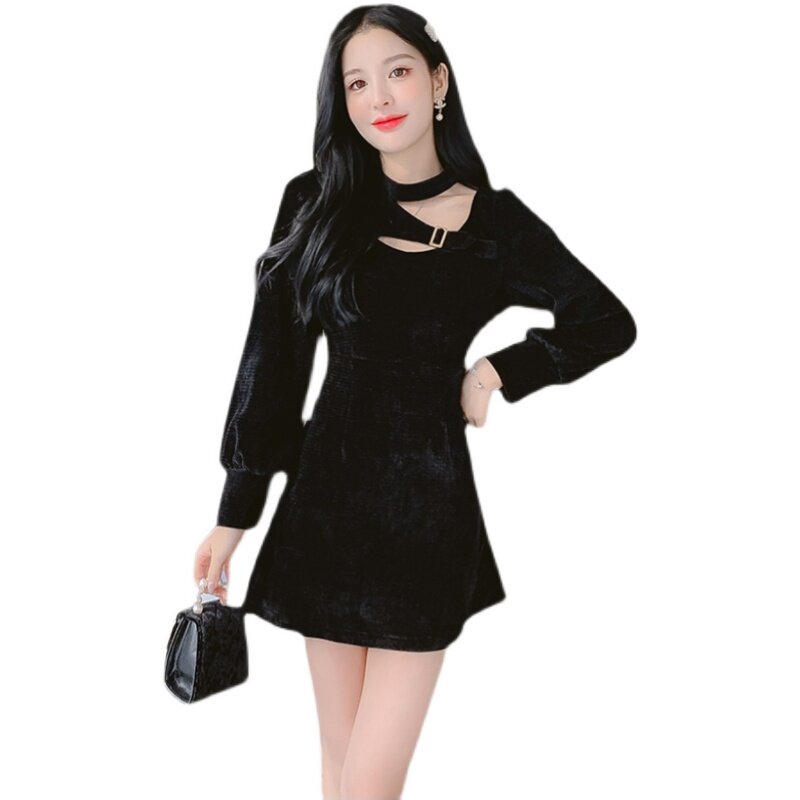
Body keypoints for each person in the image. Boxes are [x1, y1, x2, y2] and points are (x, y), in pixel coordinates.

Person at [193, 6, 637, 799]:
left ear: (437, 81)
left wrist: (498, 371)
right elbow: (272, 365)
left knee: (368, 784)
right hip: (325, 511)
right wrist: (236, 513)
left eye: (396, 72)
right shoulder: (315, 203)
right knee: (340, 768)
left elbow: (605, 321)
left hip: (427, 523)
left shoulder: (494, 224)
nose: (378, 97)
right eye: (355, 83)